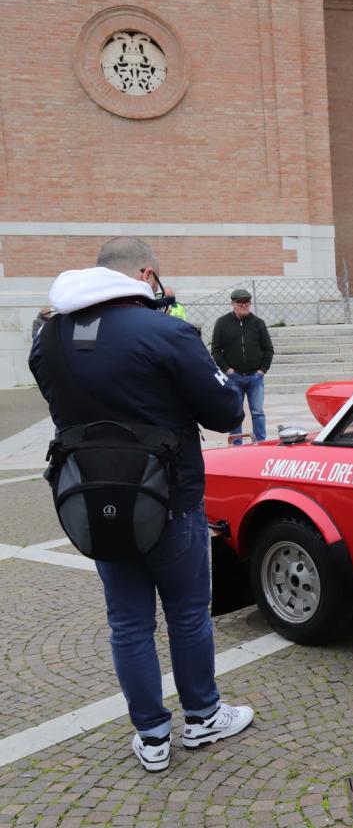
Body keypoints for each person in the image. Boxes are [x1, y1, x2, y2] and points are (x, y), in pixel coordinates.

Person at [29, 265, 253, 773]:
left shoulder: (49, 337)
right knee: (187, 613)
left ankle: (151, 736)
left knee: (128, 623)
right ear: (143, 276)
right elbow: (225, 412)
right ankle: (202, 716)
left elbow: (57, 401)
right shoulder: (165, 330)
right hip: (170, 495)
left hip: (92, 498)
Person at [210, 289, 274, 442]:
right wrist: (227, 370)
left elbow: (268, 349)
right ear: (233, 304)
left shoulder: (258, 323)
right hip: (234, 377)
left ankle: (261, 442)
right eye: (240, 303)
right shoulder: (222, 323)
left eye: (247, 302)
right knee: (235, 412)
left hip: (255, 376)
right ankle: (236, 444)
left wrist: (262, 370)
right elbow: (216, 350)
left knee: (258, 412)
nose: (244, 305)